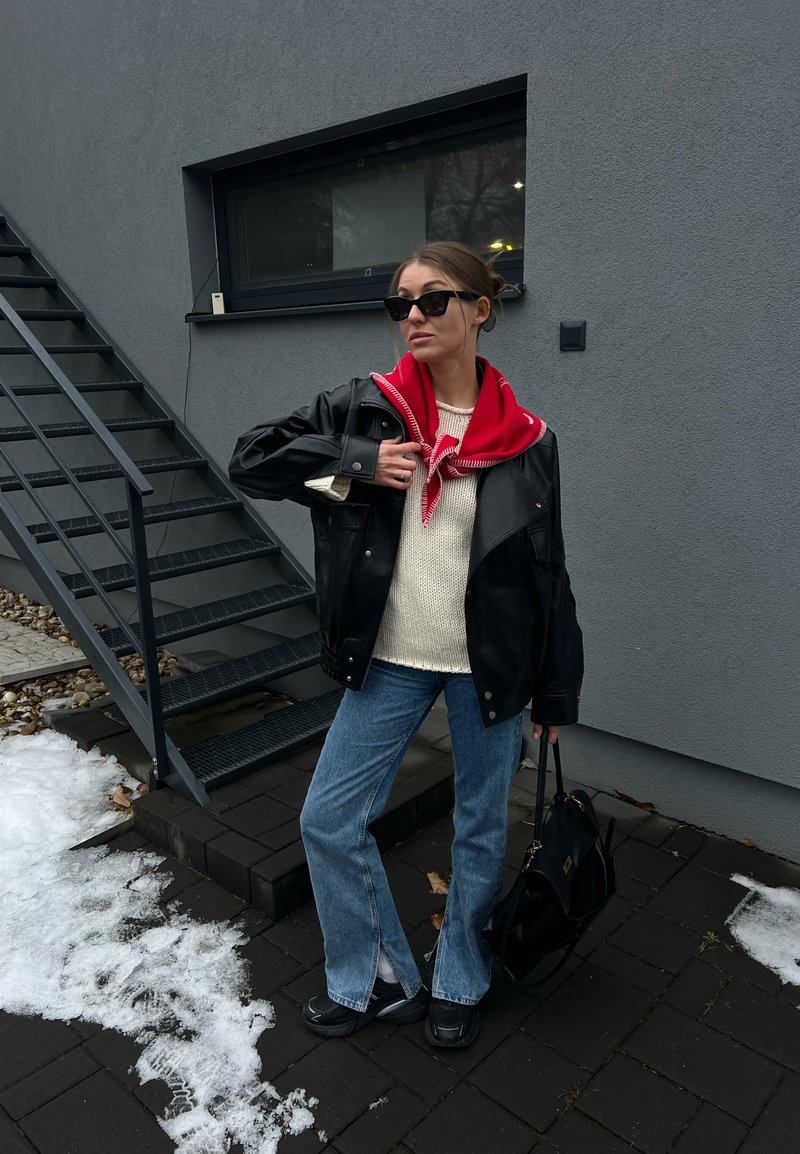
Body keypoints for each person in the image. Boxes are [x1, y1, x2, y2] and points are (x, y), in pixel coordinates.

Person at [228, 241, 583, 1049]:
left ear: (480, 310)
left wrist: (557, 690)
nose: (412, 316)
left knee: (481, 827)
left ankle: (462, 974)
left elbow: (550, 573)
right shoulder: (366, 408)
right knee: (329, 817)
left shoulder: (531, 441)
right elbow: (251, 459)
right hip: (389, 657)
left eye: (432, 300)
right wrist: (354, 460)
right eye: (400, 303)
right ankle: (381, 974)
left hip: (487, 669)